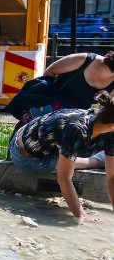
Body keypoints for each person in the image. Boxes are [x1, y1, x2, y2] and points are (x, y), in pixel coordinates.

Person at [9, 91, 114, 222]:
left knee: (74, 157)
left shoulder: (107, 128)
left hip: (49, 145)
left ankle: (95, 160)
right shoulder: (77, 128)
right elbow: (64, 177)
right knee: (67, 166)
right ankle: (94, 161)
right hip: (27, 156)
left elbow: (111, 177)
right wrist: (82, 216)